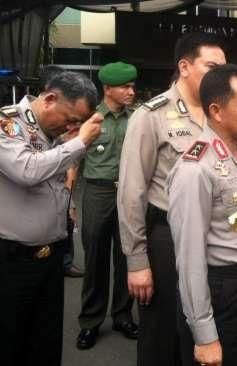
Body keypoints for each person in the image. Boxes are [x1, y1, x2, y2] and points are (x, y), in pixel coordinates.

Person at [117, 32, 226, 366]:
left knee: (204, 331)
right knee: (162, 335)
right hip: (168, 238)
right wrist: (136, 263)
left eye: (224, 67)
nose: (220, 75)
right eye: (212, 66)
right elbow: (131, 192)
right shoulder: (152, 116)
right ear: (184, 66)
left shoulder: (220, 112)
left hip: (215, 238)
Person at [168, 64, 237, 366]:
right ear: (216, 110)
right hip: (222, 291)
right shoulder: (196, 167)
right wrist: (204, 335)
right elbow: (189, 258)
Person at [0, 71, 103, 366]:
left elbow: (55, 178)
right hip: (12, 260)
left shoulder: (54, 133)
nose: (71, 126)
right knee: (11, 342)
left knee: (44, 342)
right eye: (70, 118)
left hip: (50, 255)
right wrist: (78, 142)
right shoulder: (8, 123)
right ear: (50, 98)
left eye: (77, 122)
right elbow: (27, 171)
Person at [76, 61, 139, 350]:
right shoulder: (90, 119)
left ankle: (122, 315)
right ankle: (90, 322)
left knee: (127, 256)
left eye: (132, 85)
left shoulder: (137, 119)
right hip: (97, 192)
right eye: (125, 86)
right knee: (95, 259)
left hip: (128, 194)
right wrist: (67, 200)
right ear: (107, 89)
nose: (131, 90)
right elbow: (73, 159)